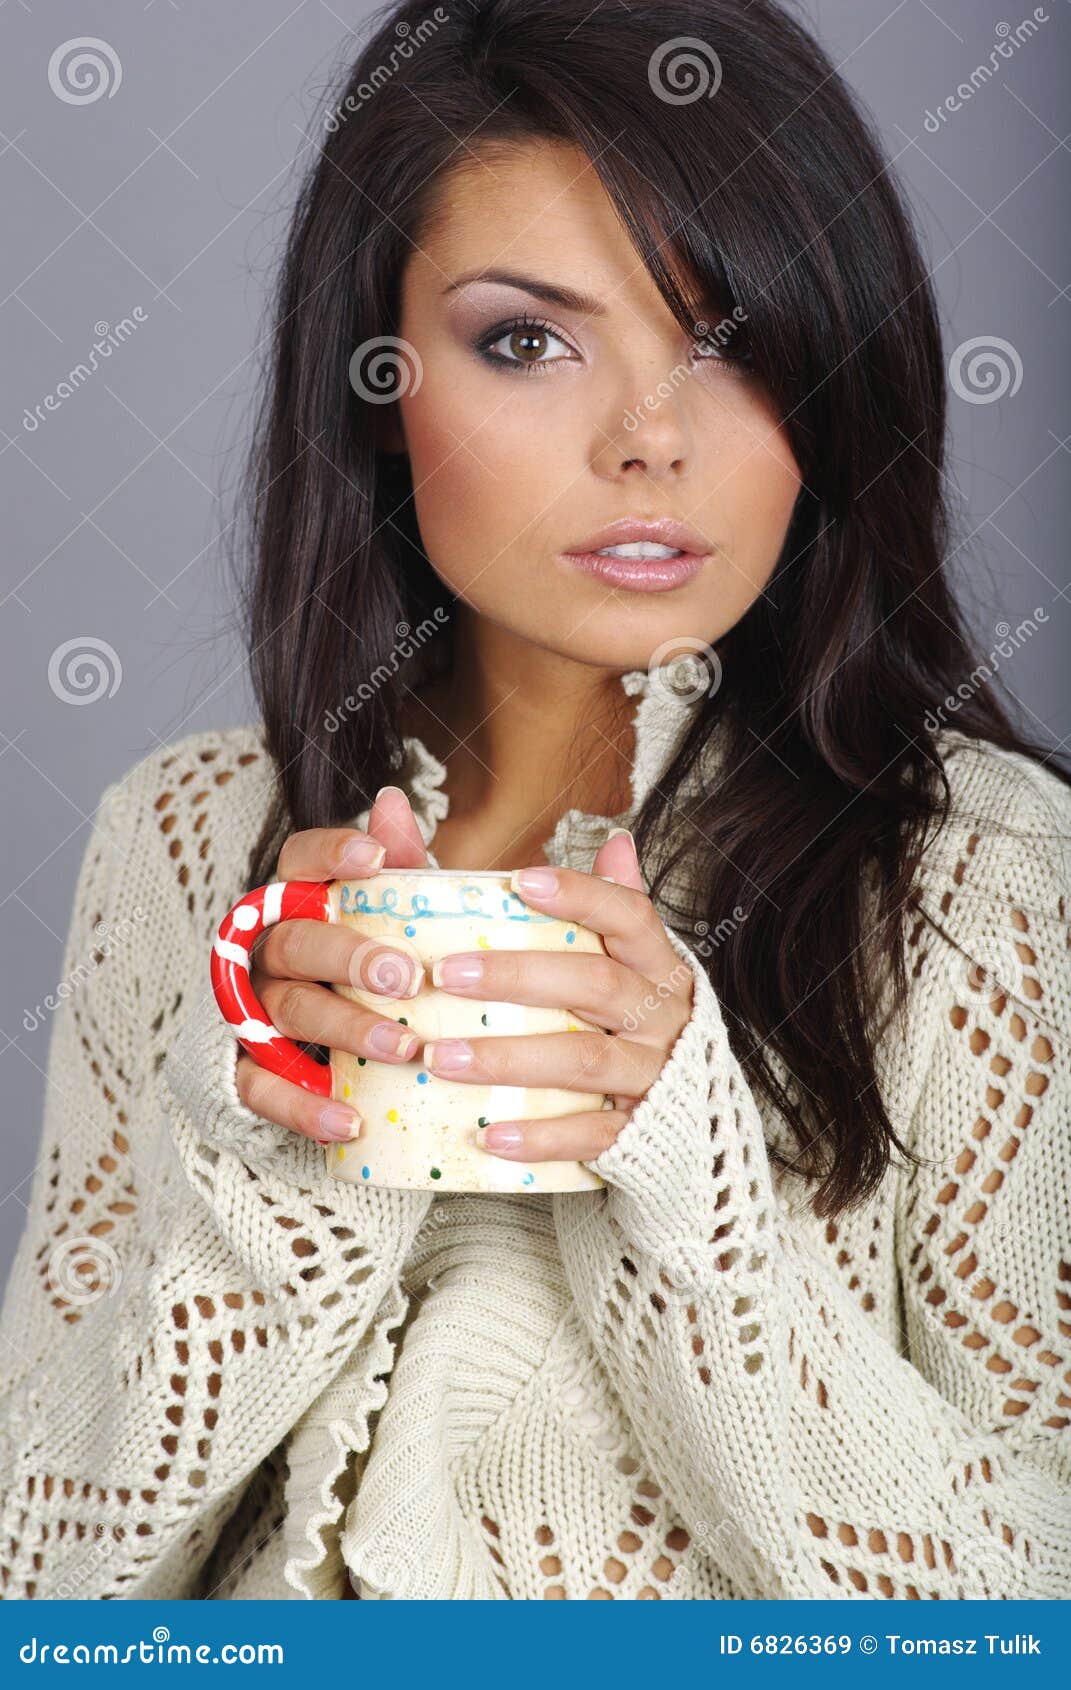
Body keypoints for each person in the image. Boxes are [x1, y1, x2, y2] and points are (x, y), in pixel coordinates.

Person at [2, 0, 1068, 1601]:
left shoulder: (993, 878)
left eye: (735, 341)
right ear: (379, 380)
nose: (648, 438)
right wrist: (271, 1170)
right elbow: (39, 1592)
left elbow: (1031, 1614)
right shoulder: (183, 841)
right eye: (528, 340)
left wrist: (694, 1191)